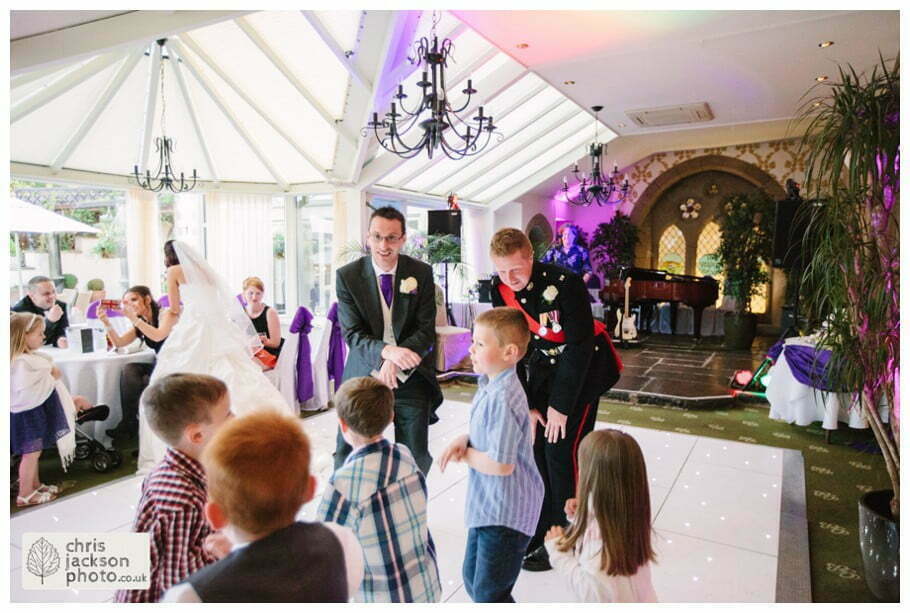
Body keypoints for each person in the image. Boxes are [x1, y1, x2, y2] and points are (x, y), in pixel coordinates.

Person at [489, 228, 622, 572]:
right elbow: (511, 349)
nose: (510, 278)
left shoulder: (566, 282)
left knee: (561, 451)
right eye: (502, 271)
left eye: (516, 269)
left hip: (583, 374)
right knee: (537, 452)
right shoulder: (499, 287)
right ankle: (543, 526)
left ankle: (568, 533)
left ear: (530, 257)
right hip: (543, 375)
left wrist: (560, 407)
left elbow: (579, 347)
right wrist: (529, 404)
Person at [163, 411, 364, 602]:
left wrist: (235, 559)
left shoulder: (189, 597)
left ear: (215, 516)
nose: (232, 415)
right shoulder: (339, 540)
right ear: (310, 489)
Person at [136, 239, 292, 474]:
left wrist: (168, 313)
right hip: (217, 328)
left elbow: (176, 308)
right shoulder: (206, 273)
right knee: (235, 373)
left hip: (194, 327)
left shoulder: (174, 271)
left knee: (172, 380)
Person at [439, 307, 544, 603]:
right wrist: (465, 438)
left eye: (480, 344)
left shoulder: (503, 396)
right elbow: (488, 432)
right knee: (473, 581)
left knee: (489, 593)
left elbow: (501, 464)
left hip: (507, 511)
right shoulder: (490, 384)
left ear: (510, 352)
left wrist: (466, 455)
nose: (471, 349)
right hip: (488, 505)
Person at [333, 206, 442, 476]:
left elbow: (426, 330)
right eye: (377, 236)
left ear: (403, 239)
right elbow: (353, 334)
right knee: (348, 452)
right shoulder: (347, 276)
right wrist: (387, 354)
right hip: (363, 375)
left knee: (415, 454)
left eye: (392, 237)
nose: (384, 245)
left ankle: (412, 514)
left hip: (411, 374)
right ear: (368, 238)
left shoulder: (421, 273)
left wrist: (395, 362)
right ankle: (347, 510)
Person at [318, 377, 441, 603]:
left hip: (382, 595)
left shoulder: (344, 483)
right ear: (391, 416)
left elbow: (325, 548)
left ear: (342, 425)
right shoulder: (404, 455)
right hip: (425, 586)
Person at [114, 374, 232, 603]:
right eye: (227, 414)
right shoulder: (181, 502)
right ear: (197, 435)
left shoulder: (183, 466)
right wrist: (228, 553)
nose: (235, 418)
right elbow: (182, 585)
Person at [544, 429, 658, 602]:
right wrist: (582, 516)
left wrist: (558, 554)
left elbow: (591, 594)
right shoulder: (629, 516)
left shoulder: (598, 548)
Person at [10, 313, 91, 507]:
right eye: (39, 334)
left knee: (34, 452)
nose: (43, 338)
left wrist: (50, 372)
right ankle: (25, 493)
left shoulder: (30, 358)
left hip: (33, 411)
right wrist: (50, 373)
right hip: (27, 413)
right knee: (30, 454)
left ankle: (35, 485)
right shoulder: (21, 362)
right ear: (24, 335)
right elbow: (27, 388)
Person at [98, 285, 176, 440]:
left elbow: (158, 336)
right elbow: (119, 343)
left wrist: (133, 319)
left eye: (134, 299)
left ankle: (144, 429)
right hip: (160, 363)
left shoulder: (167, 314)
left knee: (146, 381)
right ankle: (129, 422)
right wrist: (106, 322)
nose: (130, 305)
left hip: (176, 364)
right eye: (126, 302)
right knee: (130, 369)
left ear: (147, 299)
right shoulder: (141, 322)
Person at [12, 275, 69, 348]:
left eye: (54, 292)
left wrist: (60, 340)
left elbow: (62, 331)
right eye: (46, 294)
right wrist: (50, 321)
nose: (52, 296)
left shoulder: (61, 306)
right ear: (32, 296)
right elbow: (31, 341)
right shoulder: (20, 311)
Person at [242, 276, 283, 368]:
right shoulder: (241, 313)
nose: (254, 297)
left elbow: (276, 343)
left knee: (248, 366)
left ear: (263, 294)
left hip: (268, 352)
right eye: (250, 293)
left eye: (258, 293)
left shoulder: (270, 312)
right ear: (244, 294)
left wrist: (261, 342)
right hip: (250, 351)